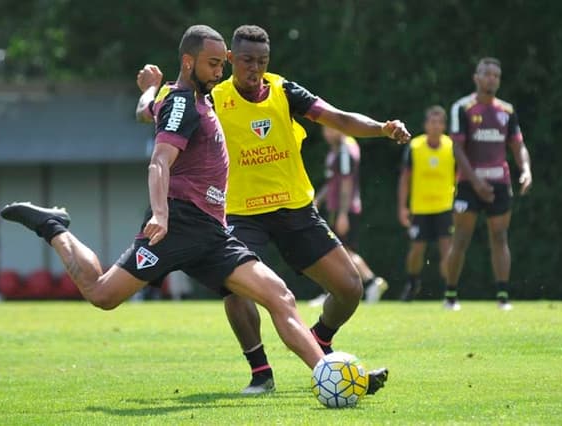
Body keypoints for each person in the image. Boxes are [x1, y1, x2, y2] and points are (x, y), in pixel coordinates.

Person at [1, 25, 326, 382]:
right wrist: (160, 213)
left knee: (280, 296)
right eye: (213, 64)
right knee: (102, 294)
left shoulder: (192, 98)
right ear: (189, 63)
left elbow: (145, 111)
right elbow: (159, 160)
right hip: (178, 225)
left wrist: (150, 90)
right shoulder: (183, 103)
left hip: (213, 233)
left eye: (222, 64)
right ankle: (53, 227)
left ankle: (329, 375)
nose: (220, 73)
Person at [136, 24, 409, 394]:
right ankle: (261, 372)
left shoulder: (284, 91)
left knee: (349, 287)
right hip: (238, 214)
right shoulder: (209, 94)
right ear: (231, 60)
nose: (255, 69)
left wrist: (382, 128)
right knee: (236, 292)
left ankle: (320, 344)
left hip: (294, 209)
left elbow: (337, 117)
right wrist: (150, 87)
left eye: (262, 61)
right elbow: (147, 112)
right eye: (247, 61)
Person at [444, 57, 532, 311]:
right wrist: (475, 181)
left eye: (496, 74)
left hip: (499, 183)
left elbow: (518, 145)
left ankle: (503, 296)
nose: (492, 78)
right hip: (469, 184)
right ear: (476, 78)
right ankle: (451, 296)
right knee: (460, 237)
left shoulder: (507, 111)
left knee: (500, 236)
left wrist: (525, 169)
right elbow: (457, 149)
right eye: (487, 74)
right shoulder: (463, 107)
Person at [310, 126, 389, 307]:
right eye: (325, 130)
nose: (327, 133)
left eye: (331, 129)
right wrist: (317, 201)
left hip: (343, 209)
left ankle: (366, 282)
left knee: (334, 251)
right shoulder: (337, 150)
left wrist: (343, 214)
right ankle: (370, 282)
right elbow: (332, 182)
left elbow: (346, 183)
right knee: (342, 250)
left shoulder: (345, 149)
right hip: (337, 208)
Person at [397, 106, 455, 301]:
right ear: (425, 125)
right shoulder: (415, 147)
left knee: (447, 249)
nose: (436, 126)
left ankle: (450, 290)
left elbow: (458, 176)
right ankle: (412, 282)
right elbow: (405, 179)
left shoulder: (451, 146)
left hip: (444, 207)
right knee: (416, 250)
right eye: (432, 122)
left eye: (440, 122)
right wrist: (402, 207)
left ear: (444, 126)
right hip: (420, 208)